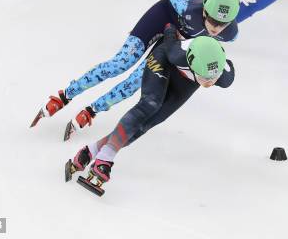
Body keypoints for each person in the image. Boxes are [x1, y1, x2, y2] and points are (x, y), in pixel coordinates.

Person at [30, 0, 240, 138]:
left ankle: (92, 110)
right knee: (119, 64)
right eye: (212, 19)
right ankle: (65, 95)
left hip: (174, 41)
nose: (216, 27)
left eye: (222, 24)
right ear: (204, 8)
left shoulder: (230, 34)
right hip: (162, 19)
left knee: (135, 83)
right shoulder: (186, 6)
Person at [65, 28, 235, 196]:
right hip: (164, 59)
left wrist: (205, 76)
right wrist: (169, 29)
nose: (209, 83)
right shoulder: (177, 53)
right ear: (191, 63)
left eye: (212, 78)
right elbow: (170, 33)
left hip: (186, 79)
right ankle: (105, 158)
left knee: (144, 125)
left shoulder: (223, 76)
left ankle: (90, 152)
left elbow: (216, 73)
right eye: (205, 78)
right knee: (150, 104)